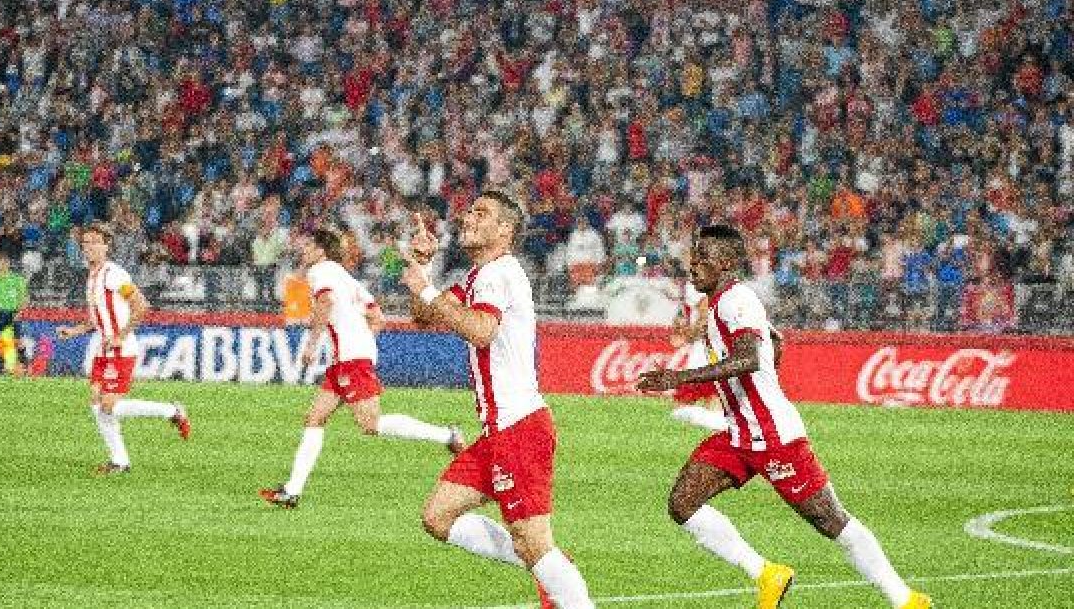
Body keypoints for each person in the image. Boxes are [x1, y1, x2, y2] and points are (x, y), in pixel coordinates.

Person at [636, 225, 931, 609]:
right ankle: (768, 575)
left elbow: (750, 357)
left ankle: (905, 598)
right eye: (694, 256)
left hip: (775, 437)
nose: (694, 265)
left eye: (703, 257)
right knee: (683, 503)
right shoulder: (723, 303)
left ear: (726, 262)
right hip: (740, 434)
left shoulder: (733, 300)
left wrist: (679, 377)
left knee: (831, 521)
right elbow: (775, 342)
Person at [403, 194, 595, 609]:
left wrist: (430, 288)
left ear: (505, 230)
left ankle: (552, 569)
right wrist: (422, 264)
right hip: (497, 433)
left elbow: (481, 330)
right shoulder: (478, 276)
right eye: (470, 210)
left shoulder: (499, 273)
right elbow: (424, 315)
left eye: (481, 213)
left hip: (519, 427)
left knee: (534, 543)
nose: (469, 217)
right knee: (437, 516)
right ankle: (551, 565)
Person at [259, 229, 465, 509]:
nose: (304, 250)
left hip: (349, 358)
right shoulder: (347, 278)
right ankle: (292, 490)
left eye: (309, 245)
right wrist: (362, 342)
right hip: (349, 356)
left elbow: (326, 302)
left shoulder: (319, 271)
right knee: (314, 417)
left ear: (321, 251)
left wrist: (312, 344)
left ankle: (447, 435)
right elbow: (377, 317)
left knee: (370, 423)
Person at [55, 222, 191, 475]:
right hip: (103, 349)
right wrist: (73, 331)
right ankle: (119, 460)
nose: (90, 247)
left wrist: (121, 335)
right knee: (97, 403)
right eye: (86, 242)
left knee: (110, 406)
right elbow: (97, 319)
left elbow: (141, 305)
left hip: (122, 348)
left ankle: (172, 411)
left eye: (96, 241)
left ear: (106, 246)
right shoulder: (92, 278)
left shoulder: (114, 274)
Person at [667, 274, 728, 432]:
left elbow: (705, 314)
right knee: (714, 391)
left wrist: (691, 335)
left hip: (706, 344)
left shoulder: (698, 282)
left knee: (689, 393)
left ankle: (715, 431)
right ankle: (719, 433)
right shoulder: (713, 280)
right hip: (717, 342)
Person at [0, 252, 29, 376]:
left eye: (2, 262)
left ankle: (21, 366)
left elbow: (25, 298)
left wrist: (20, 312)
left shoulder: (17, 279)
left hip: (13, 313)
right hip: (1, 314)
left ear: (8, 264)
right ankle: (11, 366)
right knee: (2, 342)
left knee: (14, 341)